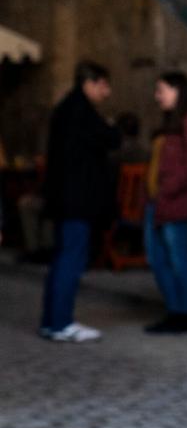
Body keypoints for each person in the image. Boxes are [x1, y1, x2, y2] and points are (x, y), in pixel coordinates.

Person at [39, 60, 121, 343]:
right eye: (103, 85)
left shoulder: (67, 109)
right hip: (76, 200)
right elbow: (109, 139)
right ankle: (61, 322)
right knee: (71, 259)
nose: (107, 92)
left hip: (66, 198)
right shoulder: (81, 112)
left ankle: (52, 321)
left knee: (63, 258)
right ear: (89, 83)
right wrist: (113, 127)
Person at [144, 70, 187, 334]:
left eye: (162, 90)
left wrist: (170, 187)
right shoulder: (170, 121)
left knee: (178, 258)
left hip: (177, 201)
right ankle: (174, 310)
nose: (157, 96)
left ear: (177, 90)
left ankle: (185, 313)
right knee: (157, 258)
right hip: (158, 201)